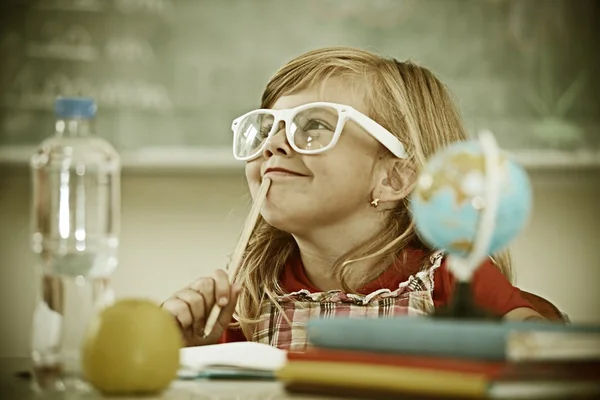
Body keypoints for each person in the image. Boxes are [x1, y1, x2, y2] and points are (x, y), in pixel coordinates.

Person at [161, 46, 544, 351]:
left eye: (313, 125)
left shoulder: (451, 277)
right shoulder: (248, 299)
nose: (274, 144)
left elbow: (541, 345)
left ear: (392, 178)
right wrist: (196, 352)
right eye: (266, 128)